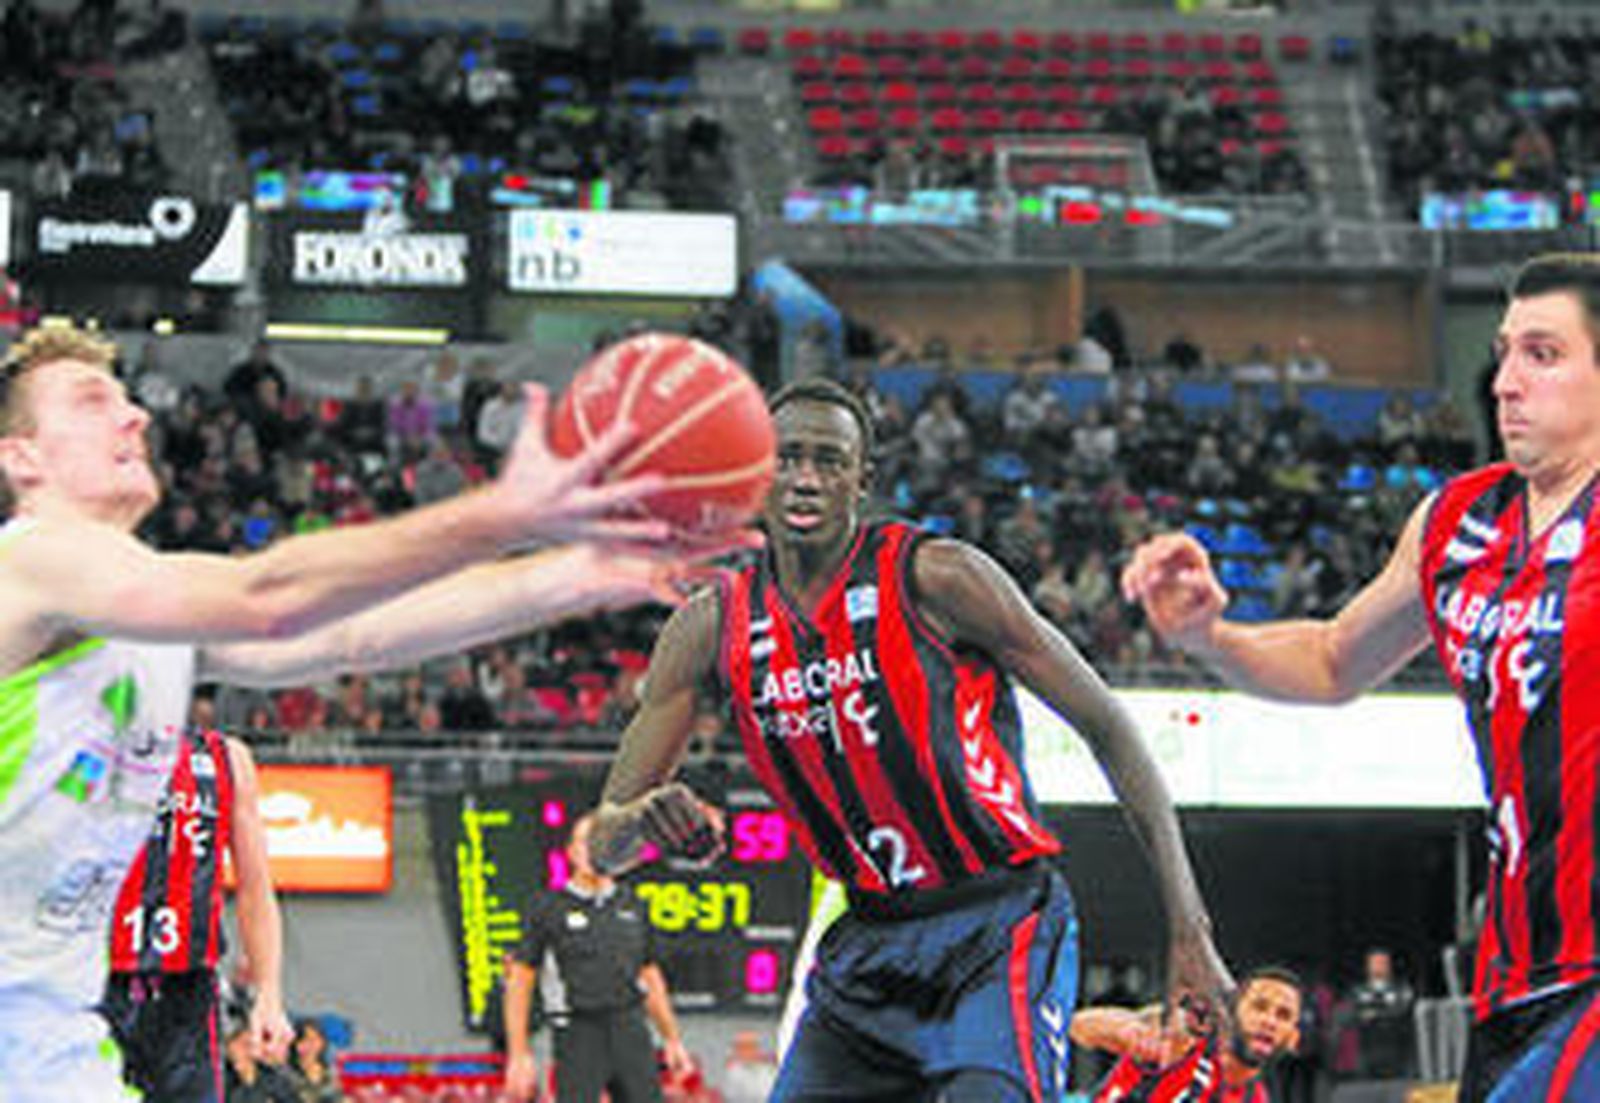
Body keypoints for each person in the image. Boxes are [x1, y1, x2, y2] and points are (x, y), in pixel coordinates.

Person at [0, 321, 742, 1100]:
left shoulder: (146, 610)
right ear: (23, 456)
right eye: (92, 401)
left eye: (126, 396)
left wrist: (585, 570)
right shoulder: (35, 557)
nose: (135, 415)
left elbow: (351, 634)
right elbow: (268, 598)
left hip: (49, 1041)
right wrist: (509, 511)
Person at [590, 377, 1230, 1101]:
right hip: (867, 944)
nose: (804, 477)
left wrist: (1190, 928)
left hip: (997, 923)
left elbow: (1111, 730)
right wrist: (639, 822)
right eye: (786, 457)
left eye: (828, 460)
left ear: (861, 478)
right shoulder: (707, 628)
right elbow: (602, 845)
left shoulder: (939, 577)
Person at [1120, 253, 1600, 1102]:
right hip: (1515, 975)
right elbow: (1336, 659)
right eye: (1502, 351)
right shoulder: (1458, 523)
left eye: (1543, 353)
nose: (1505, 381)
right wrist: (1208, 634)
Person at [101, 729, 291, 1102]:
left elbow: (255, 887)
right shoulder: (76, 738)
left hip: (186, 995)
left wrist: (269, 992)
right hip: (92, 985)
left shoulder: (226, 758)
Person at [502, 813, 693, 1103]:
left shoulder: (633, 905)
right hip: (578, 1031)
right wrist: (518, 1052)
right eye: (585, 842)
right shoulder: (547, 908)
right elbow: (520, 981)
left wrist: (672, 1038)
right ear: (571, 851)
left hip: (630, 1027)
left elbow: (650, 975)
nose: (593, 850)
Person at [1072, 966, 1303, 1103]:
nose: (1269, 1022)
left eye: (1283, 1015)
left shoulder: (1255, 1098)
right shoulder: (1182, 1039)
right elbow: (1079, 1026)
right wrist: (1134, 1027)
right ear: (1230, 1013)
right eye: (1259, 1007)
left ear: (1293, 1039)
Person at [1348, 947, 1414, 1079]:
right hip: (1368, 1052)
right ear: (1367, 966)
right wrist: (1384, 1011)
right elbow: (1354, 1015)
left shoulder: (1402, 989)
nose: (1379, 966)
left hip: (1397, 1053)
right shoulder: (1358, 991)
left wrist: (1374, 1014)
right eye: (1375, 963)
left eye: (1383, 963)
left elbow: (1403, 1011)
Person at [282, 1018, 343, 1103]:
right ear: (296, 1044)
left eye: (316, 1039)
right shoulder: (285, 1075)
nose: (312, 1044)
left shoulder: (329, 1074)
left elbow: (336, 1098)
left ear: (323, 1043)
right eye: (307, 1039)